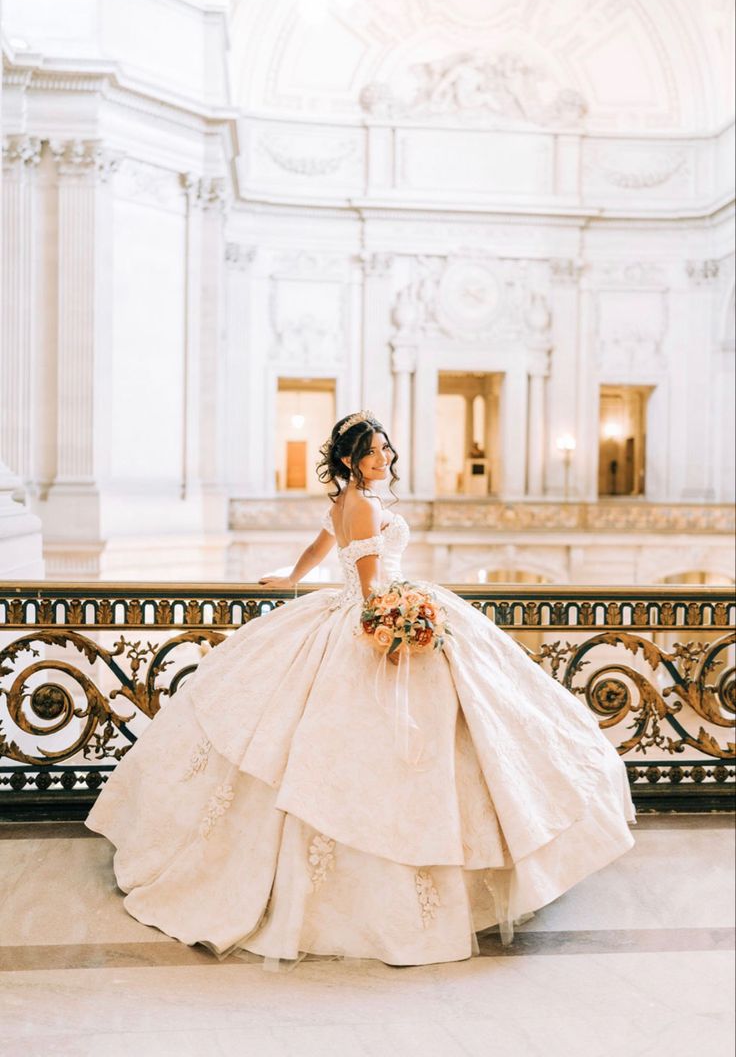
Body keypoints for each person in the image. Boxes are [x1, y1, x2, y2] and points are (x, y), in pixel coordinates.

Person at [86, 410, 635, 967]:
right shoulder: (367, 504)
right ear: (351, 460)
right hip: (372, 614)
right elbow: (372, 584)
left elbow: (324, 545)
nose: (385, 460)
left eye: (386, 451)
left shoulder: (344, 502)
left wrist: (293, 578)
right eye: (374, 453)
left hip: (345, 610)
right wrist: (400, 620)